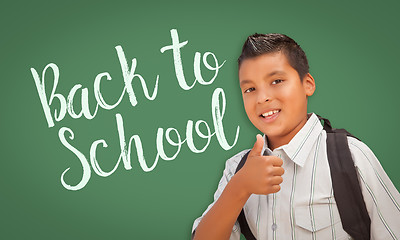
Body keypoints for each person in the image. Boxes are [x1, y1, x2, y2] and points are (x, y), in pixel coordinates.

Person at [191, 33, 400, 239]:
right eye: (250, 89)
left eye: (277, 81)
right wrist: (239, 188)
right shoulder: (237, 169)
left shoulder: (351, 156)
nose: (262, 97)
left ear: (307, 84)